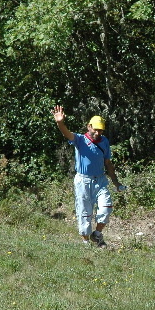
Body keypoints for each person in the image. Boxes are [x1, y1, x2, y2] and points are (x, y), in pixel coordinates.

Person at [52, 105, 125, 248]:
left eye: (101, 130)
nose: (98, 132)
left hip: (101, 180)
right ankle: (85, 242)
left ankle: (97, 234)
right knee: (84, 212)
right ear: (89, 126)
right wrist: (60, 123)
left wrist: (116, 182)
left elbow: (108, 163)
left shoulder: (104, 141)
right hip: (83, 181)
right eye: (95, 129)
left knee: (106, 208)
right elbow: (67, 133)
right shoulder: (80, 139)